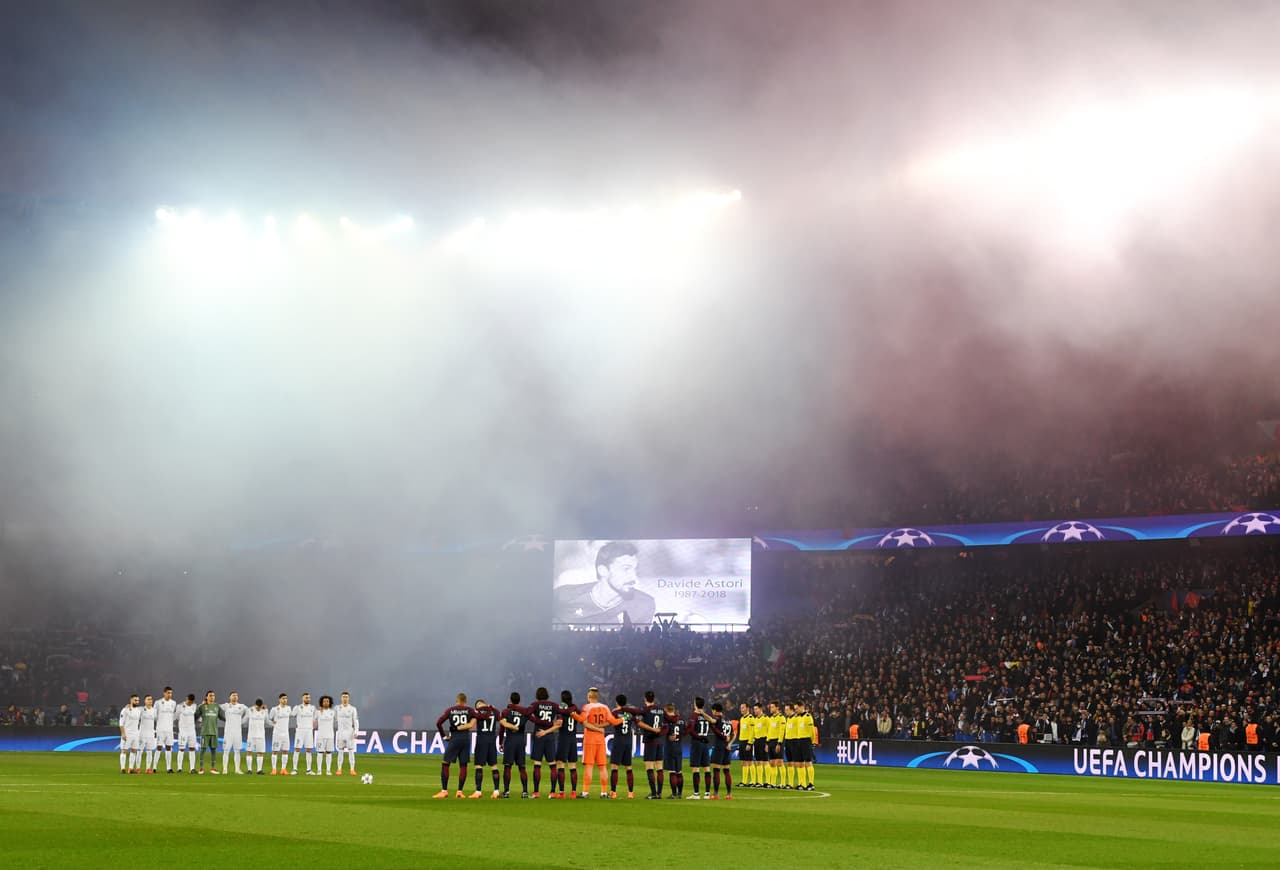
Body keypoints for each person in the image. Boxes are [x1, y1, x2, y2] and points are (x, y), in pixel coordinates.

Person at [554, 541, 656, 627]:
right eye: (626, 569)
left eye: (635, 569)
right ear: (603, 571)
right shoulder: (563, 595)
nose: (633, 577)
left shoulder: (644, 604)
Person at [572, 686, 621, 798]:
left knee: (589, 766)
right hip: (600, 740)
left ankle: (585, 792)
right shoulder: (605, 707)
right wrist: (623, 719)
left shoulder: (587, 707)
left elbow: (580, 720)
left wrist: (571, 714)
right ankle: (604, 792)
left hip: (590, 739)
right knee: (602, 767)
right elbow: (613, 721)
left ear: (589, 696)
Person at [434, 693, 476, 798]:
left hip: (455, 738)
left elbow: (438, 723)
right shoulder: (470, 710)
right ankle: (460, 792)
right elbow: (478, 718)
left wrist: (444, 736)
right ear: (465, 701)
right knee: (463, 765)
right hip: (465, 739)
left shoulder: (450, 710)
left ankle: (444, 791)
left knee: (445, 763)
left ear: (457, 700)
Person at [526, 687, 560, 798]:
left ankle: (536, 792)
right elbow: (559, 723)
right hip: (549, 736)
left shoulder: (535, 704)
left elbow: (527, 714)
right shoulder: (554, 705)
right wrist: (547, 731)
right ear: (547, 695)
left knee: (537, 764)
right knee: (552, 765)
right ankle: (552, 792)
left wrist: (537, 721)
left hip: (538, 735)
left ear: (537, 695)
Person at [610, 693, 646, 799]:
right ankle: (630, 793)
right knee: (629, 768)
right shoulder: (630, 713)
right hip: (628, 741)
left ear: (616, 702)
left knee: (614, 767)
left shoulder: (615, 712)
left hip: (618, 741)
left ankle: (613, 792)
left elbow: (611, 722)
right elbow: (638, 723)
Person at [499, 692, 531, 798]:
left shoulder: (505, 711)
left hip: (510, 740)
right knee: (522, 767)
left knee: (508, 766)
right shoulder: (524, 712)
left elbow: (502, 728)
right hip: (521, 740)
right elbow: (533, 720)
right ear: (519, 700)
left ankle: (506, 791)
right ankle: (525, 792)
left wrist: (500, 742)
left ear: (510, 700)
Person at [470, 699, 502, 798]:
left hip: (481, 740)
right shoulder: (494, 711)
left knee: (479, 766)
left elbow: (471, 725)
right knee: (494, 766)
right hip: (492, 740)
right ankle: (496, 791)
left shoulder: (477, 712)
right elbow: (502, 722)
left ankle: (478, 791)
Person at [552, 690, 581, 799]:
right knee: (572, 766)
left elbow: (559, 723)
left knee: (560, 765)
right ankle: (573, 792)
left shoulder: (561, 710)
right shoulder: (575, 709)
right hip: (573, 739)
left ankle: (562, 792)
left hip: (563, 739)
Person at [640, 690, 667, 798]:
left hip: (650, 740)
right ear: (654, 699)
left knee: (649, 767)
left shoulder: (645, 709)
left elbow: (638, 719)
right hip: (659, 741)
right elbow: (666, 724)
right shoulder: (661, 710)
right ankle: (659, 793)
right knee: (659, 767)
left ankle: (653, 793)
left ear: (645, 699)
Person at [688, 696, 713, 799]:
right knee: (707, 768)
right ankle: (707, 793)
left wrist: (699, 737)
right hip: (705, 743)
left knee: (696, 768)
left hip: (697, 743)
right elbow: (712, 722)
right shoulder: (706, 716)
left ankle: (696, 793)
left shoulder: (694, 715)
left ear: (695, 704)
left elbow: (691, 730)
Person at [709, 702, 734, 799]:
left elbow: (712, 721)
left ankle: (715, 794)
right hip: (726, 747)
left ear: (715, 710)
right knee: (726, 770)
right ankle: (729, 794)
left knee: (716, 770)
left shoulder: (717, 718)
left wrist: (702, 714)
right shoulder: (727, 720)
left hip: (718, 746)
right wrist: (730, 743)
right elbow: (733, 734)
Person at [661, 703, 686, 798]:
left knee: (672, 772)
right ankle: (680, 793)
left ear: (666, 710)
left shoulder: (666, 721)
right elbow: (684, 731)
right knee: (679, 771)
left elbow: (664, 731)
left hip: (670, 748)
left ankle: (674, 793)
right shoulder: (681, 720)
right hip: (679, 747)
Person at [221, 691, 249, 775]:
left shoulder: (242, 706)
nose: (235, 697)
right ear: (230, 697)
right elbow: (215, 707)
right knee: (226, 751)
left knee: (237, 751)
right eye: (233, 695)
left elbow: (249, 712)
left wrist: (242, 721)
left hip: (237, 732)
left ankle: (237, 769)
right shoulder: (226, 705)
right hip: (228, 732)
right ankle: (225, 769)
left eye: (236, 695)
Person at [195, 690, 223, 774]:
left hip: (214, 732)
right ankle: (201, 768)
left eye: (213, 695)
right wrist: (199, 721)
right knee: (203, 750)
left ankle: (213, 768)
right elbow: (195, 716)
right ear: (206, 697)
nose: (212, 697)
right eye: (210, 695)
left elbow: (222, 717)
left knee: (214, 750)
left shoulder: (217, 706)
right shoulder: (202, 706)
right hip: (205, 732)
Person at [335, 691, 359, 776]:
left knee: (351, 751)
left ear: (348, 698)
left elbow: (355, 721)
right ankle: (339, 769)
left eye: (346, 697)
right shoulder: (337, 708)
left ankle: (352, 769)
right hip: (340, 733)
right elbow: (333, 719)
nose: (345, 698)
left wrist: (356, 731)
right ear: (341, 698)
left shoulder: (353, 709)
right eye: (343, 697)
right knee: (340, 751)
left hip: (349, 733)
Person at [292, 692, 317, 775]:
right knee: (297, 749)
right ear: (302, 699)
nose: (308, 699)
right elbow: (292, 715)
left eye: (309, 698)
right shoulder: (298, 707)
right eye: (306, 697)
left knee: (309, 750)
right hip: (300, 731)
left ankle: (308, 770)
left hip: (309, 731)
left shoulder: (313, 708)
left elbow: (315, 718)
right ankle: (294, 769)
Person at [155, 687, 177, 774]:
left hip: (169, 729)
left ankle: (169, 768)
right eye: (168, 693)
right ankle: (154, 767)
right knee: (159, 747)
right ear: (164, 693)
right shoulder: (158, 702)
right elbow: (154, 714)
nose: (170, 695)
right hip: (160, 729)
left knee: (169, 748)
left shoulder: (173, 703)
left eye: (171, 693)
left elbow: (173, 715)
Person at [119, 693, 142, 774]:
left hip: (136, 734)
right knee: (124, 750)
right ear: (131, 700)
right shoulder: (125, 710)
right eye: (135, 700)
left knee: (133, 750)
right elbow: (121, 723)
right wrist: (123, 733)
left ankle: (131, 768)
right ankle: (122, 768)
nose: (137, 702)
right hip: (127, 733)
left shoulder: (139, 711)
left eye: (138, 700)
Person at [269, 693, 292, 775]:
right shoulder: (274, 709)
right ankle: (274, 769)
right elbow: (269, 719)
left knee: (285, 751)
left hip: (286, 734)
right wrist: (274, 724)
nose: (285, 700)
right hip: (277, 734)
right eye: (283, 698)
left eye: (286, 698)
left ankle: (283, 769)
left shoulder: (289, 708)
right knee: (275, 751)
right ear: (279, 699)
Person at [176, 693, 199, 773]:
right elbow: (177, 716)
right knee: (181, 749)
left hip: (192, 731)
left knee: (192, 749)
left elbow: (195, 716)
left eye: (191, 702)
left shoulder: (194, 706)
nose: (190, 703)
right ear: (186, 699)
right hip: (183, 731)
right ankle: (179, 768)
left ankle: (192, 768)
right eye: (189, 701)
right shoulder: (180, 706)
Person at [315, 695, 337, 775]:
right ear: (321, 702)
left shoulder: (333, 712)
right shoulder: (318, 712)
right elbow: (312, 720)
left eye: (327, 701)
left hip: (330, 735)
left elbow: (338, 720)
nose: (326, 703)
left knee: (329, 753)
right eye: (324, 701)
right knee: (320, 752)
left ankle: (328, 770)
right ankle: (319, 770)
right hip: (320, 735)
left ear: (330, 702)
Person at [246, 699, 269, 774]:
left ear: (262, 705)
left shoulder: (264, 711)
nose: (259, 708)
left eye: (260, 706)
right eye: (257, 706)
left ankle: (259, 770)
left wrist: (275, 724)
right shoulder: (250, 710)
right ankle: (249, 770)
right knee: (249, 752)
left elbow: (267, 721)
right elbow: (245, 719)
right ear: (255, 705)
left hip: (261, 735)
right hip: (251, 735)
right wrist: (238, 723)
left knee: (260, 752)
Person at [140, 694, 160, 774]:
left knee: (149, 751)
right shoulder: (140, 709)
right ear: (145, 701)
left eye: (151, 699)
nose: (150, 701)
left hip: (151, 734)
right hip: (142, 733)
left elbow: (158, 720)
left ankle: (148, 768)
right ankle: (138, 768)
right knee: (139, 751)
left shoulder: (155, 710)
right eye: (148, 699)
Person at [737, 702, 755, 787]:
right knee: (744, 762)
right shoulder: (742, 719)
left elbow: (752, 732)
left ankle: (753, 781)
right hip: (742, 741)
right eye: (741, 707)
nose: (741, 709)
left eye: (743, 707)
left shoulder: (751, 718)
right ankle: (744, 781)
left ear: (747, 708)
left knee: (749, 761)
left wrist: (749, 743)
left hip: (747, 742)